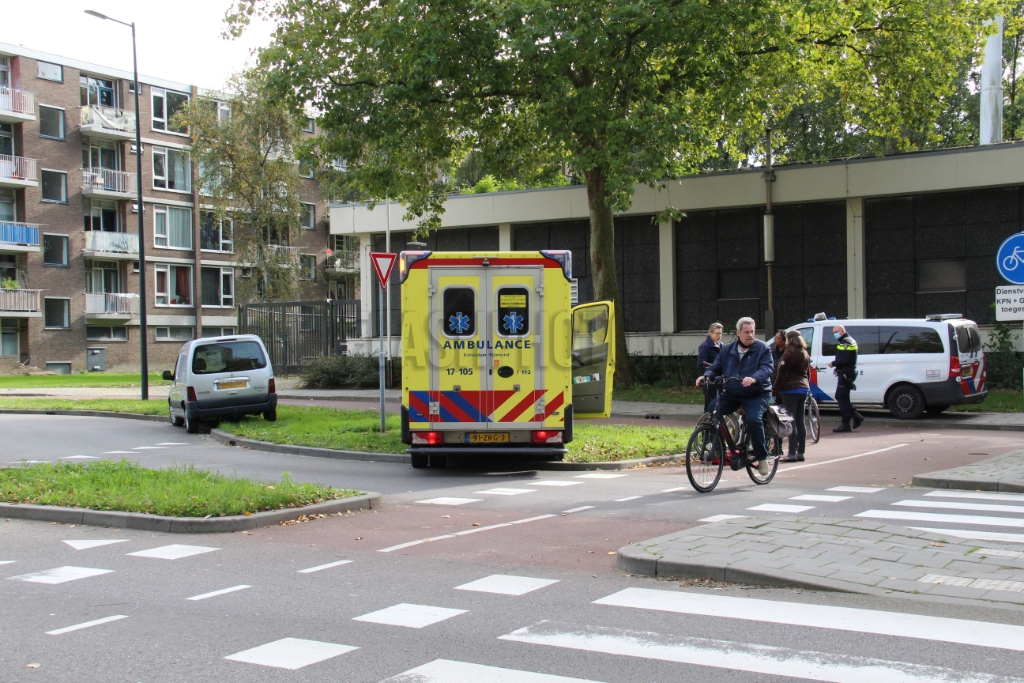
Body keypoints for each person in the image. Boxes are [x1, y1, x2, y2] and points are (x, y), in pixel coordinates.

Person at [696, 317, 775, 475]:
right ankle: (719, 447)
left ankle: (761, 457)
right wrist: (706, 376)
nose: (750, 335)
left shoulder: (763, 348)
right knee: (713, 411)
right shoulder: (728, 349)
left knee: (753, 419)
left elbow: (767, 367)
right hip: (733, 392)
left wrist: (754, 378)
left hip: (757, 393)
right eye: (746, 332)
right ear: (738, 333)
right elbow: (716, 367)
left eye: (752, 331)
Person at [773, 330, 810, 461]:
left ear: (788, 339)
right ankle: (801, 452)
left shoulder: (789, 353)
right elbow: (807, 373)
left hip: (790, 389)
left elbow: (781, 373)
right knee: (800, 421)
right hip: (803, 388)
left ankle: (791, 453)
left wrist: (775, 390)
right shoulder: (804, 352)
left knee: (790, 421)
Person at [829, 324, 864, 432]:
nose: (835, 334)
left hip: (846, 373)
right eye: (833, 332)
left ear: (842, 331)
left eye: (836, 332)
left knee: (841, 396)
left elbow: (845, 359)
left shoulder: (846, 342)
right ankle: (856, 417)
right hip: (846, 372)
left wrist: (833, 363)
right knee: (843, 397)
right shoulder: (846, 341)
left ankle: (846, 423)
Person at [697, 322, 724, 412]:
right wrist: (709, 375)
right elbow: (701, 364)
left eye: (720, 333)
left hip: (720, 380)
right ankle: (707, 423)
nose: (719, 335)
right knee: (711, 404)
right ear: (710, 333)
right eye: (717, 333)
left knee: (718, 403)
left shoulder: (722, 345)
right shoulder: (705, 346)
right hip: (710, 381)